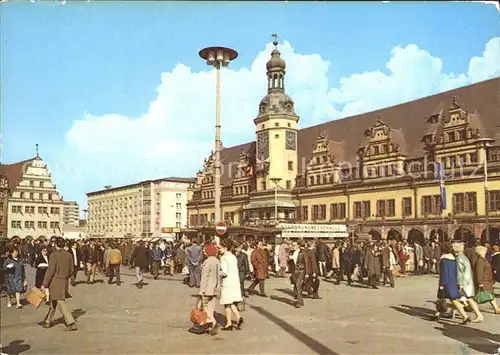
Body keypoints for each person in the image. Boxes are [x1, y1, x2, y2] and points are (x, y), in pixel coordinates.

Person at [41, 237, 77, 331]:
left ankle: (71, 322)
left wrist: (45, 284)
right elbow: (72, 270)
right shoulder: (69, 255)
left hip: (55, 281)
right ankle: (47, 321)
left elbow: (50, 271)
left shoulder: (54, 255)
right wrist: (68, 278)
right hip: (64, 281)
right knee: (54, 301)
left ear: (56, 244)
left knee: (60, 301)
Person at [434, 243, 470, 324]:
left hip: (447, 282)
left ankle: (465, 317)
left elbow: (444, 273)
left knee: (449, 299)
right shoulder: (454, 259)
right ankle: (437, 314)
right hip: (453, 281)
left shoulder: (444, 260)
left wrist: (441, 284)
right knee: (450, 299)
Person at [452, 242, 483, 322]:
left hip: (464, 282)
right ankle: (453, 312)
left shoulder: (459, 258)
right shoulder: (464, 257)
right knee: (464, 298)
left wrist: (460, 283)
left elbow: (460, 271)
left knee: (463, 298)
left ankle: (478, 314)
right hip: (468, 280)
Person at [218, 240, 243, 331]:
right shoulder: (233, 256)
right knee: (231, 301)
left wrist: (218, 273)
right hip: (235, 281)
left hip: (227, 282)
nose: (219, 250)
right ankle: (238, 316)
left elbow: (224, 272)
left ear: (225, 248)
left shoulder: (223, 257)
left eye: (220, 248)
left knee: (227, 303)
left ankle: (229, 324)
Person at [199, 243, 221, 335]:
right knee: (211, 307)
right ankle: (210, 326)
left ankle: (213, 321)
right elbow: (218, 275)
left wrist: (201, 290)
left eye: (205, 250)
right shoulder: (217, 261)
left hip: (207, 288)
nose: (204, 251)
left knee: (204, 306)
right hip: (215, 288)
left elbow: (204, 276)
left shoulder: (207, 262)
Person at [474, 246, 500, 314]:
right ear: (481, 252)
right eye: (484, 251)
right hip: (484, 280)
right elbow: (478, 271)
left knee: (489, 294)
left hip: (487, 280)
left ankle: (496, 308)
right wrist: (480, 282)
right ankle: (468, 306)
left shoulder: (483, 259)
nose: (486, 252)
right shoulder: (480, 260)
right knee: (480, 295)